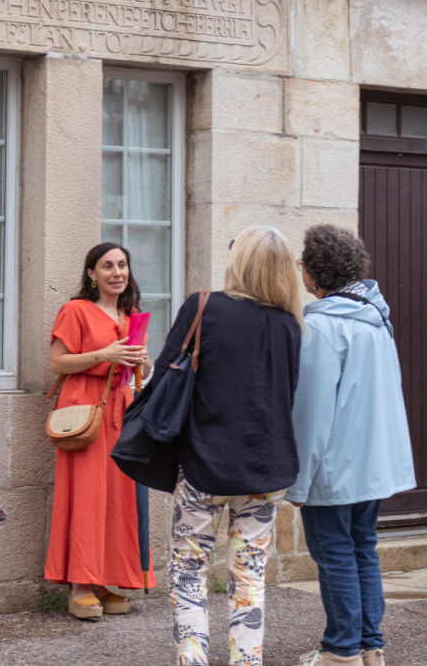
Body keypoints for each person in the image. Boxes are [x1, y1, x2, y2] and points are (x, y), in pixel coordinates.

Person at [157, 226, 302, 666]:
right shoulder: (290, 325)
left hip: (204, 462)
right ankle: (245, 660)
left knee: (188, 566)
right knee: (249, 575)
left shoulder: (205, 307)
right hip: (266, 468)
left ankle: (193, 656)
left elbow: (167, 372)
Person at [288, 224, 415, 666]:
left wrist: (299, 480)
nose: (300, 270)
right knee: (362, 547)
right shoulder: (375, 318)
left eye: (304, 262)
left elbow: (312, 411)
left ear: (317, 270)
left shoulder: (321, 326)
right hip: (371, 461)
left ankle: (341, 650)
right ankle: (369, 646)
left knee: (335, 553)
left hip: (334, 462)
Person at [44, 242, 156, 620]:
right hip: (86, 412)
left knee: (119, 499)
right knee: (88, 497)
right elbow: (57, 362)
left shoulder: (131, 315)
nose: (116, 273)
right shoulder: (75, 310)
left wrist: (143, 362)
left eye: (122, 265)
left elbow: (134, 371)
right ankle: (79, 584)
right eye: (107, 266)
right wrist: (102, 356)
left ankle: (107, 580)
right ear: (92, 273)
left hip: (122, 412)